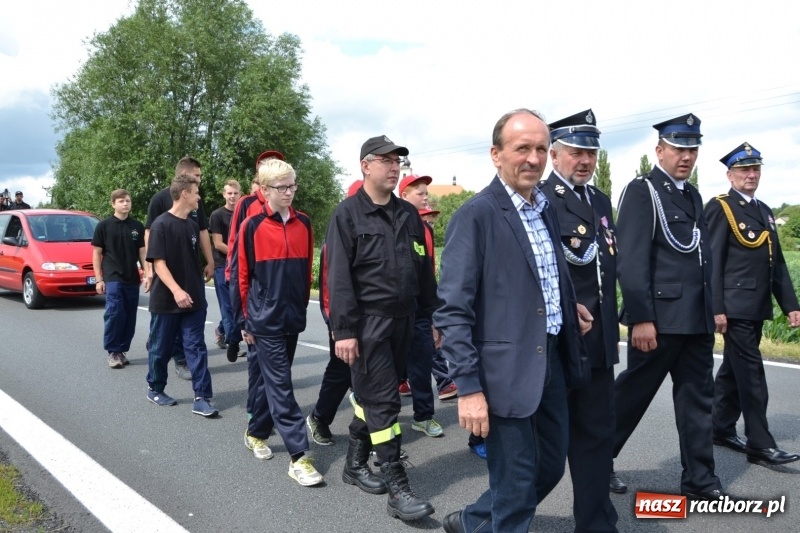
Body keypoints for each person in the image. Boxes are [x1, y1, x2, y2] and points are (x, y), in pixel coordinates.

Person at [435, 109, 591, 533]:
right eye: (522, 148)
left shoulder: (544, 209)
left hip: (551, 361)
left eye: (541, 149)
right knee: (518, 486)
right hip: (503, 372)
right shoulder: (476, 215)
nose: (534, 158)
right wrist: (467, 389)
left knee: (550, 469)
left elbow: (544, 272)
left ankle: (471, 521)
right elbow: (453, 309)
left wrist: (566, 305)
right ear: (496, 154)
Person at [613, 113, 726, 500]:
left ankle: (700, 480)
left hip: (695, 319)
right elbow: (630, 259)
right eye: (679, 148)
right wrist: (641, 318)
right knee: (631, 397)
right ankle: (596, 460)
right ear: (660, 150)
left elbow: (703, 258)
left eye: (692, 149)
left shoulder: (692, 194)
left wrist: (712, 309)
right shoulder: (643, 189)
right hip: (659, 321)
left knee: (698, 402)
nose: (687, 156)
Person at [327, 135, 439, 521]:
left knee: (378, 396)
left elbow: (423, 269)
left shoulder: (408, 215)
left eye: (398, 162)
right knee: (385, 403)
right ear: (365, 166)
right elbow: (338, 278)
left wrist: (433, 316)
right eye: (386, 160)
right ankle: (397, 487)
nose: (394, 167)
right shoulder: (346, 215)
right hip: (367, 323)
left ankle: (354, 464)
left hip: (406, 321)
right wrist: (343, 331)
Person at [539, 109, 619, 532]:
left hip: (599, 343)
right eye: (575, 152)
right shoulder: (543, 198)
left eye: (590, 152)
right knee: (543, 452)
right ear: (554, 154)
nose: (585, 160)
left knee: (595, 439)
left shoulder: (600, 201)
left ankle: (595, 522)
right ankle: (487, 516)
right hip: (561, 343)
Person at [705, 142, 800, 466]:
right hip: (734, 307)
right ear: (730, 175)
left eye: (755, 169)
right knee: (752, 374)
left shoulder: (764, 211)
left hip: (756, 305)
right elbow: (712, 261)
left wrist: (790, 305)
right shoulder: (721, 207)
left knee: (733, 370)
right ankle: (760, 443)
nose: (751, 175)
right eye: (744, 170)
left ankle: (720, 427)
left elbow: (777, 264)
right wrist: (716, 307)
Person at [230, 158, 323, 486]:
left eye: (292, 185)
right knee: (282, 384)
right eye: (282, 187)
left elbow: (307, 268)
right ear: (265, 190)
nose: (289, 192)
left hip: (292, 318)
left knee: (272, 381)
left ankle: (256, 432)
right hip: (263, 320)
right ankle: (299, 457)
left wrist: (302, 307)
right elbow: (241, 275)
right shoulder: (251, 226)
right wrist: (243, 321)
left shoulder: (305, 224)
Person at [145, 173, 217, 418]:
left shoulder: (191, 224)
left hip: (194, 299)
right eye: (196, 192)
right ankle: (155, 388)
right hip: (166, 301)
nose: (199, 197)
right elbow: (159, 263)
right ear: (185, 194)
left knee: (196, 347)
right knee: (160, 348)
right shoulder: (161, 224)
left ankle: (202, 397)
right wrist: (176, 290)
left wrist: (207, 265)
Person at [306, 180, 363, 446]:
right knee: (340, 371)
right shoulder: (338, 237)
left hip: (373, 320)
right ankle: (319, 417)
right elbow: (330, 286)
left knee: (369, 377)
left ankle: (371, 437)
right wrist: (336, 325)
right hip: (343, 321)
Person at [225, 150, 285, 364]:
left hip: (275, 277)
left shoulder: (285, 202)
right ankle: (235, 337)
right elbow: (234, 240)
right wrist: (230, 273)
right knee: (249, 324)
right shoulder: (246, 203)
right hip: (251, 276)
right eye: (265, 164)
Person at [91, 189, 147, 369]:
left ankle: (122, 350)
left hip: (132, 277)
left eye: (128, 201)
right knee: (115, 314)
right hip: (112, 277)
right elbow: (96, 253)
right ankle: (113, 351)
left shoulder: (137, 226)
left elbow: (142, 252)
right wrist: (99, 279)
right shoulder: (104, 226)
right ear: (113, 204)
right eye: (121, 201)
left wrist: (147, 273)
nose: (125, 204)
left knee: (130, 315)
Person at [209, 180, 242, 356]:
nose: (232, 196)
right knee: (228, 306)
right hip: (222, 265)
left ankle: (221, 330)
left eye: (235, 193)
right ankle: (233, 341)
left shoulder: (244, 214)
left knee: (238, 305)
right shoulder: (217, 215)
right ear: (224, 194)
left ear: (240, 194)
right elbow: (218, 243)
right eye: (229, 193)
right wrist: (239, 253)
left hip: (241, 266)